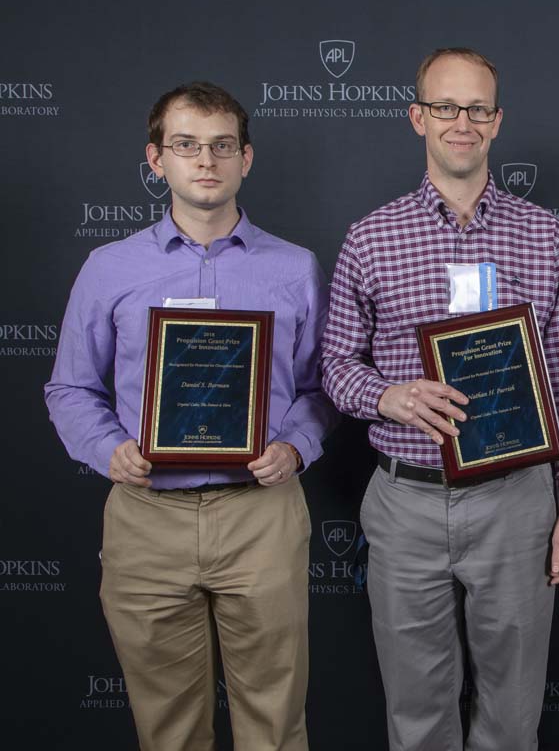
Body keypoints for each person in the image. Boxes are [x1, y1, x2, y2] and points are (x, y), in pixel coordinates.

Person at [45, 81, 338, 751]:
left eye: (221, 146)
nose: (205, 161)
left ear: (246, 159)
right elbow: (69, 388)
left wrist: (294, 445)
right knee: (168, 729)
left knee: (274, 723)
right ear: (156, 160)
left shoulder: (295, 268)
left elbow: (325, 386)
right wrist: (107, 447)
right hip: (147, 518)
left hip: (259, 514)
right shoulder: (107, 268)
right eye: (186, 146)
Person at [321, 47, 559, 751]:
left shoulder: (544, 233)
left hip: (516, 500)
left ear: (497, 121)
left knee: (512, 716)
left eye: (477, 108)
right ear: (418, 117)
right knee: (417, 716)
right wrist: (390, 397)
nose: (461, 122)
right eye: (445, 106)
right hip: (405, 501)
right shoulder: (371, 236)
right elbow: (335, 365)